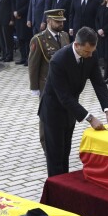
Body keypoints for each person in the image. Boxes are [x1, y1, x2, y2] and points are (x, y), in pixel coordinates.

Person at [38, 26, 108, 177]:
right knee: (55, 160)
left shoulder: (91, 55)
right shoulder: (58, 61)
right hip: (53, 113)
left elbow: (99, 83)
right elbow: (64, 97)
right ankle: (54, 196)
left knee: (65, 157)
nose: (90, 55)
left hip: (70, 112)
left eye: (92, 52)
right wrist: (90, 118)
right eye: (87, 52)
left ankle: (63, 192)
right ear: (76, 45)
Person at [29, 9, 70, 151]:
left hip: (64, 85)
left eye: (62, 21)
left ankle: (61, 143)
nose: (60, 24)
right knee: (46, 117)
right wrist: (34, 87)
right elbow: (33, 65)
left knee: (63, 114)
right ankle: (47, 146)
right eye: (57, 21)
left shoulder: (64, 36)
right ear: (49, 21)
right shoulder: (39, 39)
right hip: (46, 84)